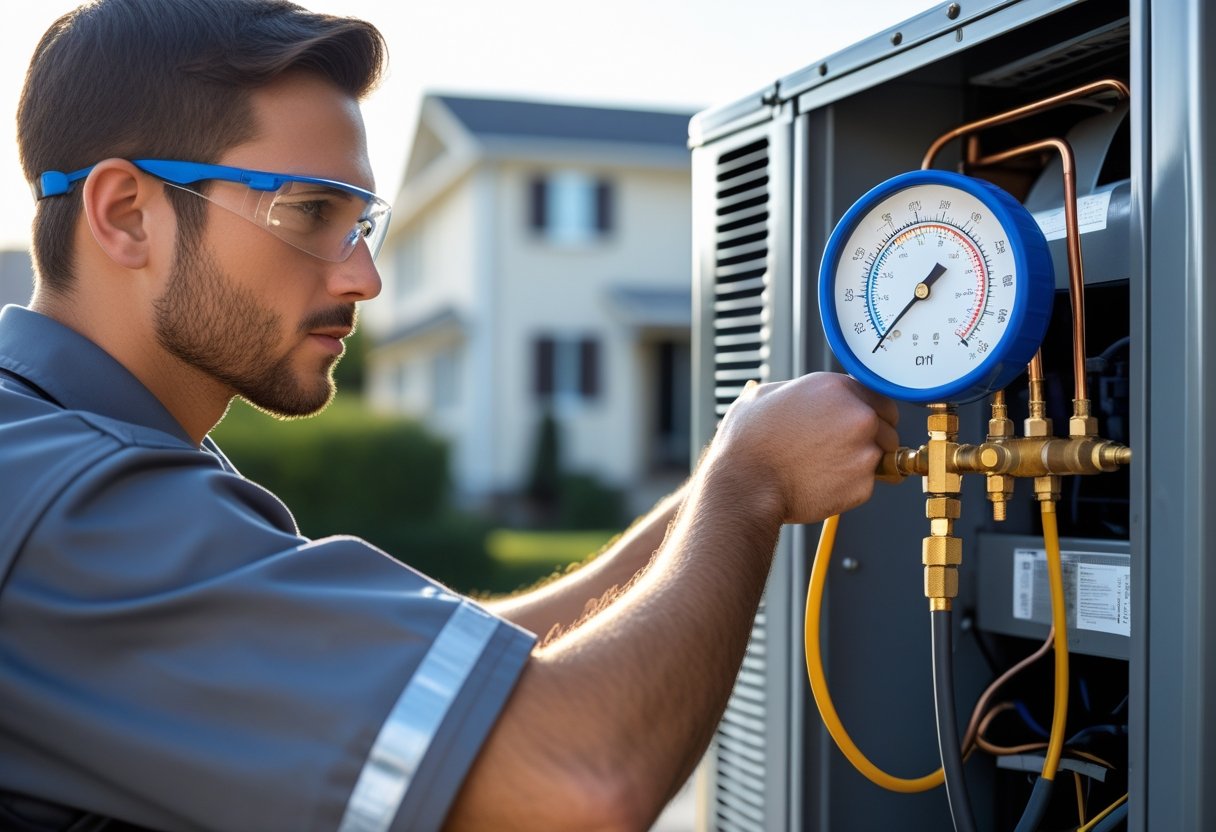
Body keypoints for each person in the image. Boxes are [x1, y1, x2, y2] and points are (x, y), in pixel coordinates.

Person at [0, 1, 900, 830]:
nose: (364, 278)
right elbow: (575, 781)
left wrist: (715, 480)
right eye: (308, 212)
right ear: (125, 215)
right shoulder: (66, 502)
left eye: (360, 224)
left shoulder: (70, 461)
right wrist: (747, 486)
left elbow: (464, 682)